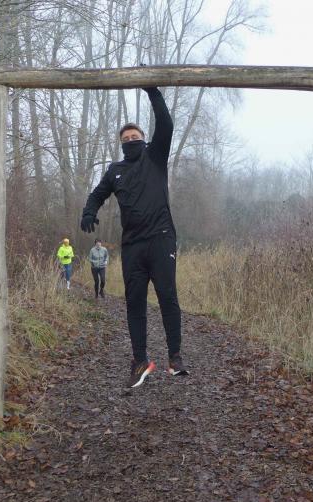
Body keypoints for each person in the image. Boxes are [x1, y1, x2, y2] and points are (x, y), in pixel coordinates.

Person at [80, 86, 189, 388]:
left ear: (143, 139)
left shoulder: (155, 156)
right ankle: (140, 360)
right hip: (132, 246)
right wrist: (89, 212)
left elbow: (166, 124)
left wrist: (153, 91)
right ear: (121, 144)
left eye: (135, 136)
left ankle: (175, 357)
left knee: (167, 295)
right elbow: (97, 194)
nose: (131, 140)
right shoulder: (115, 171)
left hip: (161, 238)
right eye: (126, 139)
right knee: (135, 303)